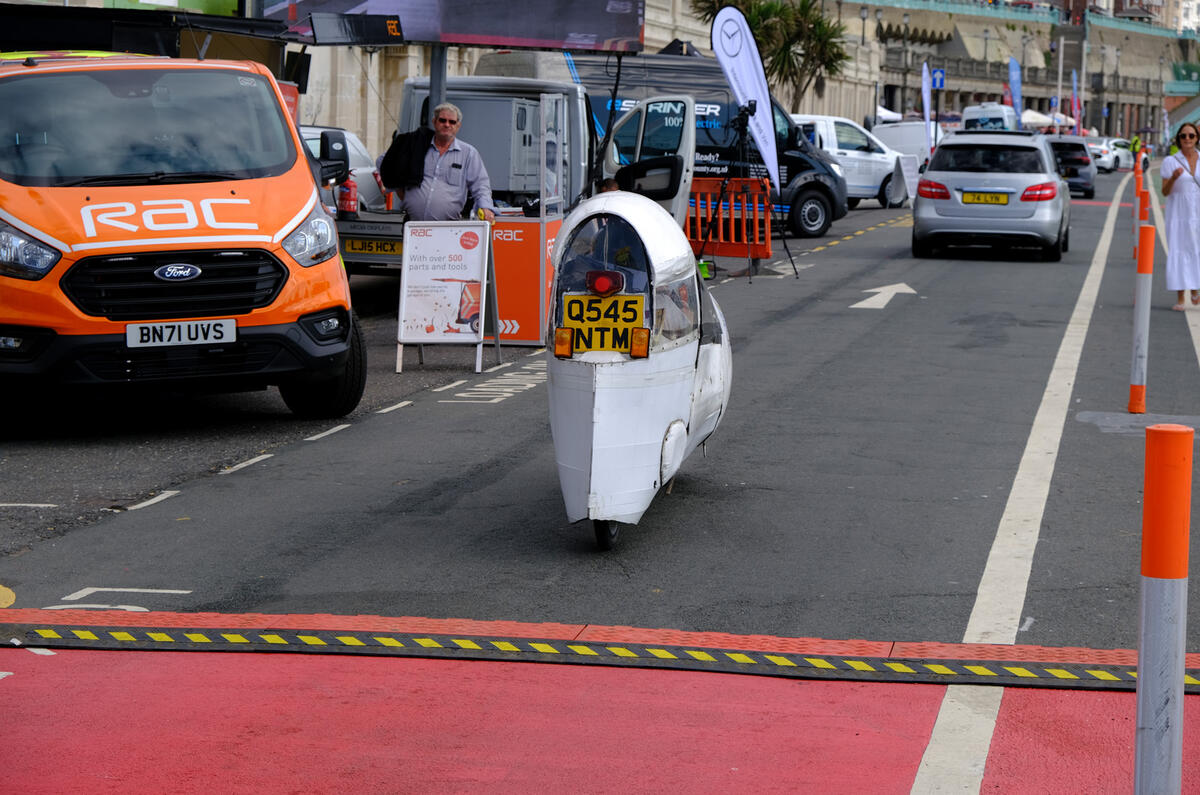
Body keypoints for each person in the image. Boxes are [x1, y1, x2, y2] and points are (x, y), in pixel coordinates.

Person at [379, 102, 495, 222]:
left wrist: (485, 207)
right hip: (413, 226)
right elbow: (384, 161)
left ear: (458, 126)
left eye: (452, 122)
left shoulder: (468, 153)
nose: (447, 125)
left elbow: (481, 185)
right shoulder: (416, 144)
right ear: (434, 122)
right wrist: (398, 187)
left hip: (448, 229)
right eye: (442, 120)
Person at [1160, 122, 1200, 310]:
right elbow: (1165, 192)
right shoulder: (1171, 161)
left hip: (1197, 212)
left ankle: (1195, 288)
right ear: (1178, 139)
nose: (1187, 139)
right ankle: (1181, 298)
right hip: (1178, 213)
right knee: (1179, 250)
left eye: (1191, 136)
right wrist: (1174, 178)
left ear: (1197, 138)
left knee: (1196, 248)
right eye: (1184, 136)